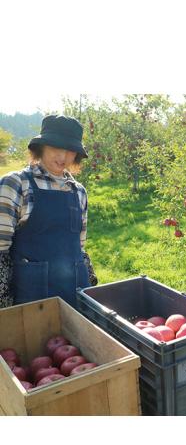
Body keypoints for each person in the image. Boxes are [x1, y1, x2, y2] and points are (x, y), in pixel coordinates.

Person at [0, 114, 97, 309]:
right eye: (55, 148)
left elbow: (79, 247)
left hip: (75, 294)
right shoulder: (16, 184)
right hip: (33, 300)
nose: (63, 157)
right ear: (41, 147)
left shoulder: (78, 192)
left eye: (70, 150)